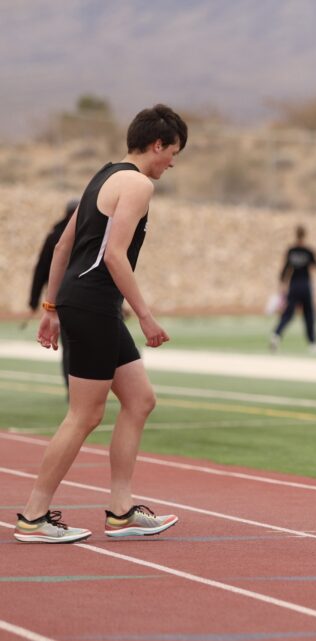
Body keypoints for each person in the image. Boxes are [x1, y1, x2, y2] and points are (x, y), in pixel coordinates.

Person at [14, 104, 187, 543]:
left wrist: (51, 307)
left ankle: (121, 511)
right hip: (94, 302)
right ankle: (34, 516)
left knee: (140, 400)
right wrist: (145, 315)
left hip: (85, 301)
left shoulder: (103, 176)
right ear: (157, 145)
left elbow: (62, 247)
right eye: (173, 153)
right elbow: (113, 255)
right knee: (85, 414)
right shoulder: (138, 184)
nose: (172, 163)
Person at [28, 198, 78, 387]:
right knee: (70, 345)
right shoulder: (57, 236)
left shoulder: (85, 234)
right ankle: (72, 388)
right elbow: (42, 269)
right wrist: (34, 300)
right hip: (64, 299)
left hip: (78, 297)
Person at [269, 225, 316, 354]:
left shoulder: (291, 251)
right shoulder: (308, 251)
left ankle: (276, 334)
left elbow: (285, 271)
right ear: (305, 235)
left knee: (288, 313)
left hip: (294, 286)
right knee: (309, 314)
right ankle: (313, 343)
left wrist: (282, 286)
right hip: (305, 286)